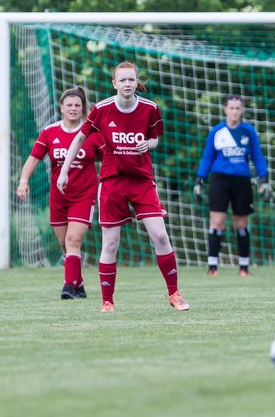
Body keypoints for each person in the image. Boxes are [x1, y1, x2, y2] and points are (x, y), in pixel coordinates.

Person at [57, 60, 188, 314]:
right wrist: (64, 170)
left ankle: (174, 293)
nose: (127, 84)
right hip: (112, 182)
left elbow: (154, 140)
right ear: (114, 83)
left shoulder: (150, 108)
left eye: (131, 79)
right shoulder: (102, 109)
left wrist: (147, 146)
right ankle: (108, 302)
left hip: (141, 181)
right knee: (111, 244)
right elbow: (80, 137)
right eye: (123, 80)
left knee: (160, 236)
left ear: (136, 82)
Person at [16, 86, 105, 300]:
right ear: (62, 108)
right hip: (58, 196)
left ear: (83, 108)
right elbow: (34, 157)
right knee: (64, 243)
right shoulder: (50, 132)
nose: (74, 108)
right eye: (69, 105)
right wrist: (23, 180)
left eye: (77, 105)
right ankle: (79, 283)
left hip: (84, 195)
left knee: (74, 240)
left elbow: (109, 160)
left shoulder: (92, 133)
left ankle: (69, 287)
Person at [193, 93, 271, 277]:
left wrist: (263, 179)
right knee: (217, 222)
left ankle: (243, 267)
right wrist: (199, 180)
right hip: (219, 180)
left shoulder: (248, 131)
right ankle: (212, 267)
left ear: (241, 110)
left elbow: (257, 156)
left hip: (242, 181)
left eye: (238, 108)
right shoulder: (217, 132)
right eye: (231, 108)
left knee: (241, 224)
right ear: (225, 109)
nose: (235, 111)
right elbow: (207, 158)